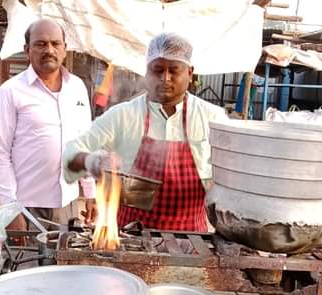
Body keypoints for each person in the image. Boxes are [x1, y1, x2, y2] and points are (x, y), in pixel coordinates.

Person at [63, 33, 229, 232]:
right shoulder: (123, 115)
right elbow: (70, 153)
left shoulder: (213, 118)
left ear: (190, 72)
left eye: (173, 71)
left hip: (192, 237)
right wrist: (93, 162)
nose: (165, 78)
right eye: (157, 70)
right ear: (147, 71)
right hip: (131, 237)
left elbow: (236, 172)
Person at [0, 19, 96, 229]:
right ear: (27, 50)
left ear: (64, 49)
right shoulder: (10, 91)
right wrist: (10, 209)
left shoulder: (77, 87)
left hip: (69, 205)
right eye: (41, 44)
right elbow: (0, 152)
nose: (49, 50)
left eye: (56, 44)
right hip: (28, 207)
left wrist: (91, 192)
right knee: (28, 261)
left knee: (65, 260)